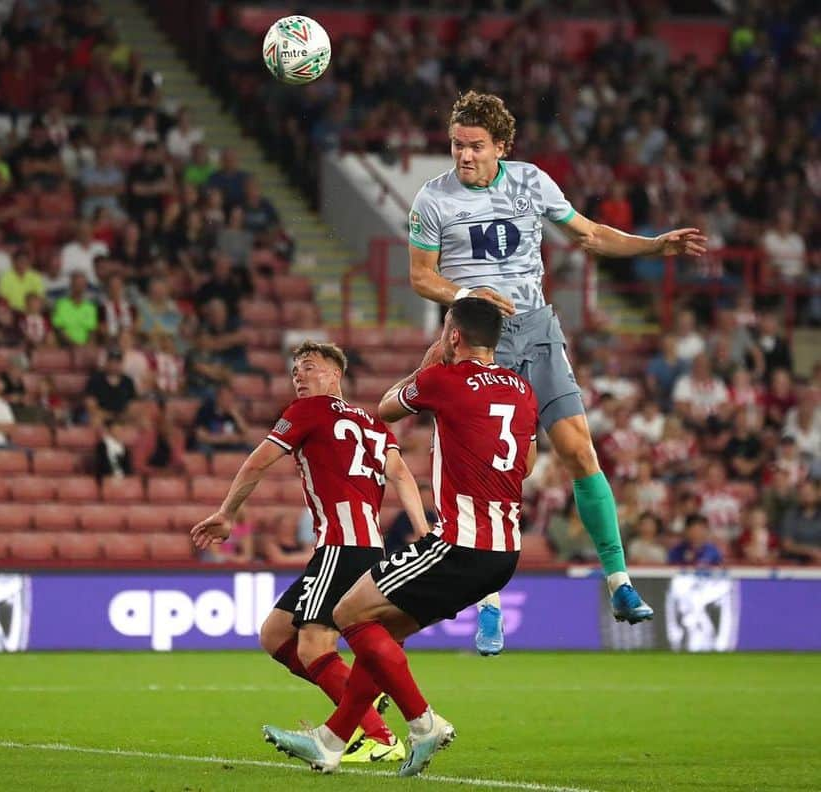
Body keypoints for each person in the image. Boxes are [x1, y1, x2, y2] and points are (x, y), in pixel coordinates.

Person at [404, 92, 706, 646]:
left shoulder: (531, 182)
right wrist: (472, 292)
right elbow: (422, 277)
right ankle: (487, 599)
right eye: (456, 144)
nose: (463, 155)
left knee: (580, 450)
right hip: (477, 342)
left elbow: (588, 234)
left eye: (475, 146)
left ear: (501, 146)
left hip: (538, 329)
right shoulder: (432, 199)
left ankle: (619, 581)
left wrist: (652, 247)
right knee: (502, 472)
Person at [262, 298, 538, 777]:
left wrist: (431, 358)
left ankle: (423, 722)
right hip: (505, 549)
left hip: (459, 543)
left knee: (349, 612)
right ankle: (330, 743)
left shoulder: (443, 379)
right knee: (381, 634)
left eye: (445, 331)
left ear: (453, 336)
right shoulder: (523, 390)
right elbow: (527, 464)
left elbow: (388, 409)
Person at [193, 340, 430, 765]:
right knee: (274, 635)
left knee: (312, 647)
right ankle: (356, 702)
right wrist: (423, 529)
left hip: (342, 547)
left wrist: (227, 512)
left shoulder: (307, 411)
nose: (298, 375)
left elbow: (256, 463)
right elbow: (402, 476)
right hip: (362, 549)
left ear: (335, 374)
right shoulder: (375, 424)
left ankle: (376, 735)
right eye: (294, 370)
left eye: (308, 367)